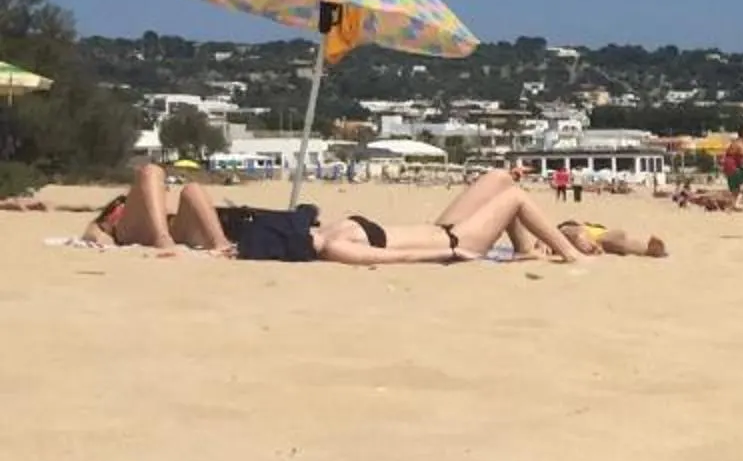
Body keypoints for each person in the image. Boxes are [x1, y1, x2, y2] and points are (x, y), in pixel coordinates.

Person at [83, 163, 590, 265]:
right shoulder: (143, 223)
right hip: (446, 239)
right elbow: (177, 186)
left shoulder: (177, 215)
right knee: (510, 196)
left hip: (441, 236)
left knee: (502, 178)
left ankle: (527, 250)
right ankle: (570, 255)